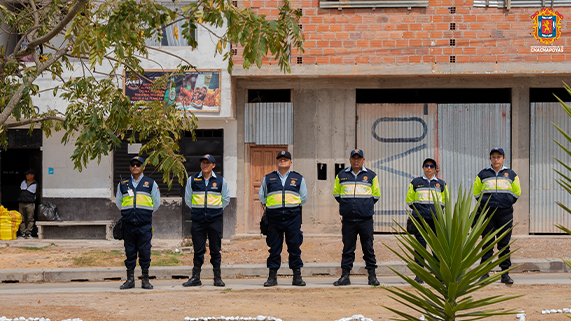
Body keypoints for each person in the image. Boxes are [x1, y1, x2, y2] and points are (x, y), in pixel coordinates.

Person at [332, 149, 381, 286]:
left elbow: (376, 195)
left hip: (365, 220)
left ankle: (372, 276)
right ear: (350, 160)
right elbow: (337, 194)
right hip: (348, 220)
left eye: (359, 158)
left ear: (363, 160)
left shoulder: (371, 175)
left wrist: (364, 206)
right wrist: (348, 206)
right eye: (354, 158)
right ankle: (345, 276)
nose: (356, 160)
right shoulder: (341, 175)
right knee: (348, 248)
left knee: (368, 248)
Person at [259, 150, 307, 287]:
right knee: (274, 248)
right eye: (280, 159)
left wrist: (291, 208)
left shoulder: (298, 178)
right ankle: (272, 277)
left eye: (286, 159)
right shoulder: (268, 178)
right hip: (274, 218)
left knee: (294, 247)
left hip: (293, 218)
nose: (282, 160)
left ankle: (297, 277)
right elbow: (262, 197)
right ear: (277, 162)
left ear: (290, 162)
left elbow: (303, 198)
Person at [473, 148, 521, 284]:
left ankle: (505, 274)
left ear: (503, 158)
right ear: (490, 159)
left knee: (504, 244)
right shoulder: (483, 174)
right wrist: (486, 203)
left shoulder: (511, 174)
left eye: (498, 157)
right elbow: (476, 193)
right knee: (487, 243)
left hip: (505, 214)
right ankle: (484, 273)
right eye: (493, 157)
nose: (496, 159)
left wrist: (507, 202)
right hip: (488, 214)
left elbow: (517, 192)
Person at [182, 154, 230, 287]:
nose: (205, 165)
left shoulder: (220, 181)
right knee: (198, 249)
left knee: (215, 249)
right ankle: (196, 277)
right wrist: (198, 210)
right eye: (203, 163)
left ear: (213, 165)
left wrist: (215, 210)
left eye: (208, 163)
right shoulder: (193, 180)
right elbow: (188, 199)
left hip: (214, 221)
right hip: (198, 221)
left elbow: (226, 199)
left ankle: (217, 278)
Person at [115, 156, 161, 290]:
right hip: (128, 225)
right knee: (130, 253)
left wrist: (144, 212)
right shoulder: (123, 184)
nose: (135, 167)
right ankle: (130, 280)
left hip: (144, 225)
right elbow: (119, 202)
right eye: (133, 165)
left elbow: (156, 202)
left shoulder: (150, 183)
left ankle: (145, 280)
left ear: (143, 167)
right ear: (130, 167)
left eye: (138, 165)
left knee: (145, 252)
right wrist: (129, 212)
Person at [405, 158, 448, 284]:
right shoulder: (415, 182)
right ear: (423, 168)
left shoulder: (441, 184)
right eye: (426, 166)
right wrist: (420, 210)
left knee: (437, 248)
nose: (429, 168)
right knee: (420, 247)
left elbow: (445, 201)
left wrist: (437, 211)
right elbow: (409, 200)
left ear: (435, 169)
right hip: (420, 219)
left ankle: (439, 275)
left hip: (436, 220)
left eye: (431, 166)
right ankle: (420, 275)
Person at [18, 168, 37, 239]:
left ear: (32, 176)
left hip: (30, 204)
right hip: (22, 203)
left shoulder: (35, 184)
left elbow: (37, 194)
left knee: (30, 218)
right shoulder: (23, 182)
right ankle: (22, 232)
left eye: (28, 175)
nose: (26, 176)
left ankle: (28, 233)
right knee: (22, 218)